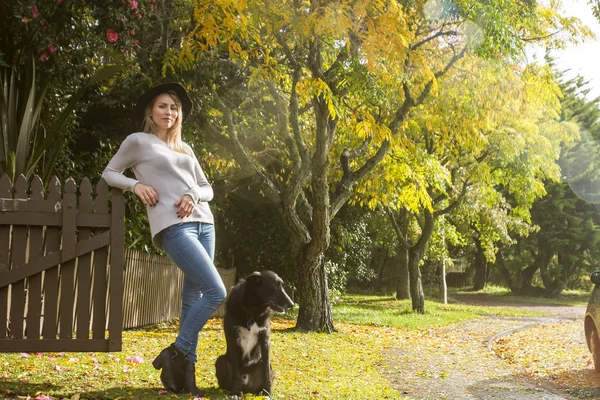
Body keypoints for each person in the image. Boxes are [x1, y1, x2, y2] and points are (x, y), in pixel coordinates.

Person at [102, 82, 227, 395]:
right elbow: (110, 172)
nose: (168, 112)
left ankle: (186, 378)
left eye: (173, 107)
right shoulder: (139, 141)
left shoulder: (185, 149)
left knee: (192, 300)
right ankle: (176, 353)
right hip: (174, 227)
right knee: (216, 291)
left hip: (204, 224)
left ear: (179, 114)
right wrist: (135, 186)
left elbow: (207, 189)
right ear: (150, 111)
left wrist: (192, 192)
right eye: (162, 106)